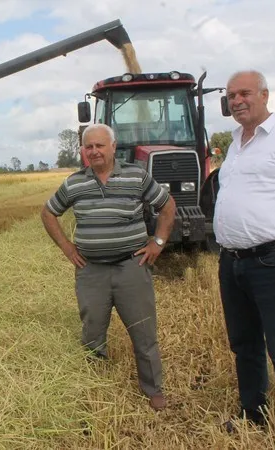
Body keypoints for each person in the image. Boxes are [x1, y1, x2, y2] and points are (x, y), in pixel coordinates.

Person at [40, 123, 176, 411]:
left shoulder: (137, 176)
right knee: (92, 332)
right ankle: (95, 386)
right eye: (89, 147)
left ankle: (153, 390)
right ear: (83, 151)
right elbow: (48, 212)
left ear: (113, 147)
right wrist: (67, 248)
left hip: (132, 267)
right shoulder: (74, 183)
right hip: (91, 272)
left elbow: (167, 206)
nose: (94, 151)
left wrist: (158, 242)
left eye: (100, 145)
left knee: (143, 332)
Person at [214, 69, 275, 441]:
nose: (237, 100)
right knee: (245, 344)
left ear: (265, 95)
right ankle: (253, 414)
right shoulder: (236, 141)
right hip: (233, 260)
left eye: (245, 93)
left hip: (273, 259)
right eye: (231, 95)